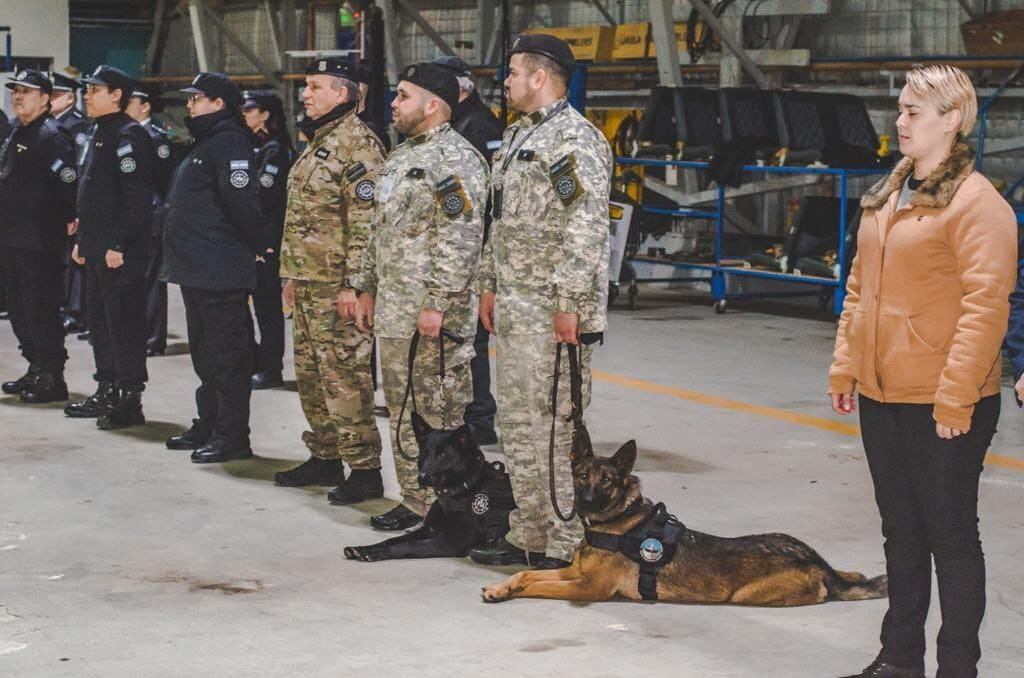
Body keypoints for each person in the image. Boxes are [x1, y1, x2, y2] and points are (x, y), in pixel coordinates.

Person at [828, 65, 1017, 678]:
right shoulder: (888, 193)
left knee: (951, 537)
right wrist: (845, 367)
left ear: (951, 119)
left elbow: (985, 307)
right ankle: (899, 657)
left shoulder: (977, 204)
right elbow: (857, 290)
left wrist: (956, 399)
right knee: (900, 533)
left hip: (945, 398)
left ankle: (957, 666)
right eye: (901, 109)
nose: (900, 120)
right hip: (883, 393)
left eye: (913, 111)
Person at [468, 34, 612, 570]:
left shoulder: (573, 140)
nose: (504, 82)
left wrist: (572, 300)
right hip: (516, 306)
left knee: (555, 426)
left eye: (511, 73)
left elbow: (586, 224)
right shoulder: (519, 136)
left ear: (539, 77)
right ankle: (527, 530)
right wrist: (490, 282)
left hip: (552, 311)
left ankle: (565, 540)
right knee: (519, 424)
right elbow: (498, 219)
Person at [353, 62, 488, 531]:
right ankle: (414, 499)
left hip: (432, 318)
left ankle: (450, 507)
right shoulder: (400, 156)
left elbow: (461, 237)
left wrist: (438, 302)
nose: (393, 104)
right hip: (394, 312)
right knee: (404, 413)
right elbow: (380, 232)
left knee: (440, 414)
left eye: (403, 96)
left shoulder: (457, 160)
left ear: (433, 105)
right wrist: (365, 286)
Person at [274, 58, 386, 504]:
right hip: (307, 280)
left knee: (344, 377)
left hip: (336, 285)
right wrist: (292, 275)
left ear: (342, 94)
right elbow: (305, 218)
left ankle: (364, 468)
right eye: (306, 86)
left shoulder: (359, 146)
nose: (306, 94)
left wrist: (354, 286)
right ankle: (324, 455)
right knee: (312, 376)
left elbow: (366, 224)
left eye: (315, 86)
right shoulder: (320, 141)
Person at [162, 72, 270, 464]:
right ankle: (208, 422)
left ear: (219, 103)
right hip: (197, 268)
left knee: (228, 358)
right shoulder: (206, 142)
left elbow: (241, 204)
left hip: (220, 267)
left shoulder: (229, 142)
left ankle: (232, 435)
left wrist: (263, 245)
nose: (189, 105)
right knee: (206, 357)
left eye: (197, 99)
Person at [65, 66, 154, 430]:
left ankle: (129, 399)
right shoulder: (98, 132)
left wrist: (119, 243)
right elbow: (93, 192)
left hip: (120, 251)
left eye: (94, 90)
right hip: (96, 246)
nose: (87, 95)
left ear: (116, 94)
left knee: (124, 325)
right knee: (100, 322)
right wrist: (82, 239)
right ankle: (107, 388)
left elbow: (136, 198)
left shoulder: (129, 135)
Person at [433, 54, 504, 446]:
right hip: (462, 247)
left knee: (472, 340)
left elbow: (489, 196)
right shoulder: (458, 123)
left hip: (474, 249)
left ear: (461, 88)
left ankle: (479, 418)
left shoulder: (477, 124)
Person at [0, 69, 78, 402]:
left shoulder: (51, 135)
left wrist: (65, 221)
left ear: (46, 98)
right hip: (12, 235)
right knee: (18, 308)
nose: (18, 96)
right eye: (15, 91)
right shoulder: (19, 130)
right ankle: (35, 366)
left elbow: (67, 185)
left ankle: (52, 376)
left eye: (26, 91)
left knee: (41, 307)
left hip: (39, 240)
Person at [241, 90, 293, 390]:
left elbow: (265, 198)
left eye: (251, 109)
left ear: (265, 114)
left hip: (267, 241)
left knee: (267, 308)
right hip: (253, 239)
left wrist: (262, 241)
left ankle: (271, 367)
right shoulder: (257, 146)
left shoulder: (275, 151)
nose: (245, 114)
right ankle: (259, 361)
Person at [125, 80, 175, 358]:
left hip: (153, 217)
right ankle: (138, 333)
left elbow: (162, 182)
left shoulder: (156, 138)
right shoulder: (130, 135)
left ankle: (153, 338)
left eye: (130, 103)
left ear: (144, 107)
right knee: (137, 280)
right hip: (136, 218)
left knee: (154, 280)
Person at [49, 71, 92, 337]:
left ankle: (75, 312)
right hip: (54, 203)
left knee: (74, 261)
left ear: (68, 98)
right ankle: (64, 306)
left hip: (70, 201)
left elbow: (74, 170)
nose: (51, 101)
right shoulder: (51, 124)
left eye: (55, 96)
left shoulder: (77, 126)